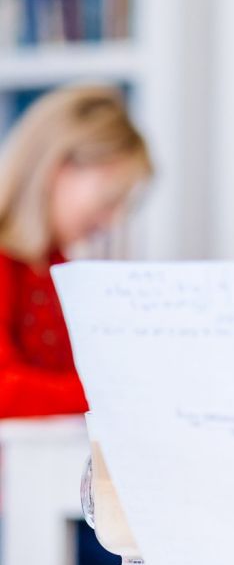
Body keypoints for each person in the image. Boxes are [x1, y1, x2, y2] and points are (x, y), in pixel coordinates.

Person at [0, 85, 152, 418]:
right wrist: (114, 394)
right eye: (108, 201)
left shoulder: (56, 269)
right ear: (59, 169)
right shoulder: (7, 265)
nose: (111, 221)